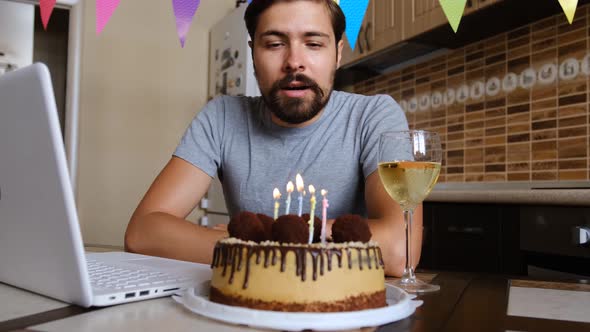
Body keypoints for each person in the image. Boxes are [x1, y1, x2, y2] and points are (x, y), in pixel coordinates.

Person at [125, 0, 422, 277]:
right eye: (275, 44)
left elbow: (400, 249)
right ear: (253, 53)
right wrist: (312, 237)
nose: (294, 62)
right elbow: (142, 232)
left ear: (338, 53)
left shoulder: (374, 117)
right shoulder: (222, 117)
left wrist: (254, 237)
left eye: (314, 44)